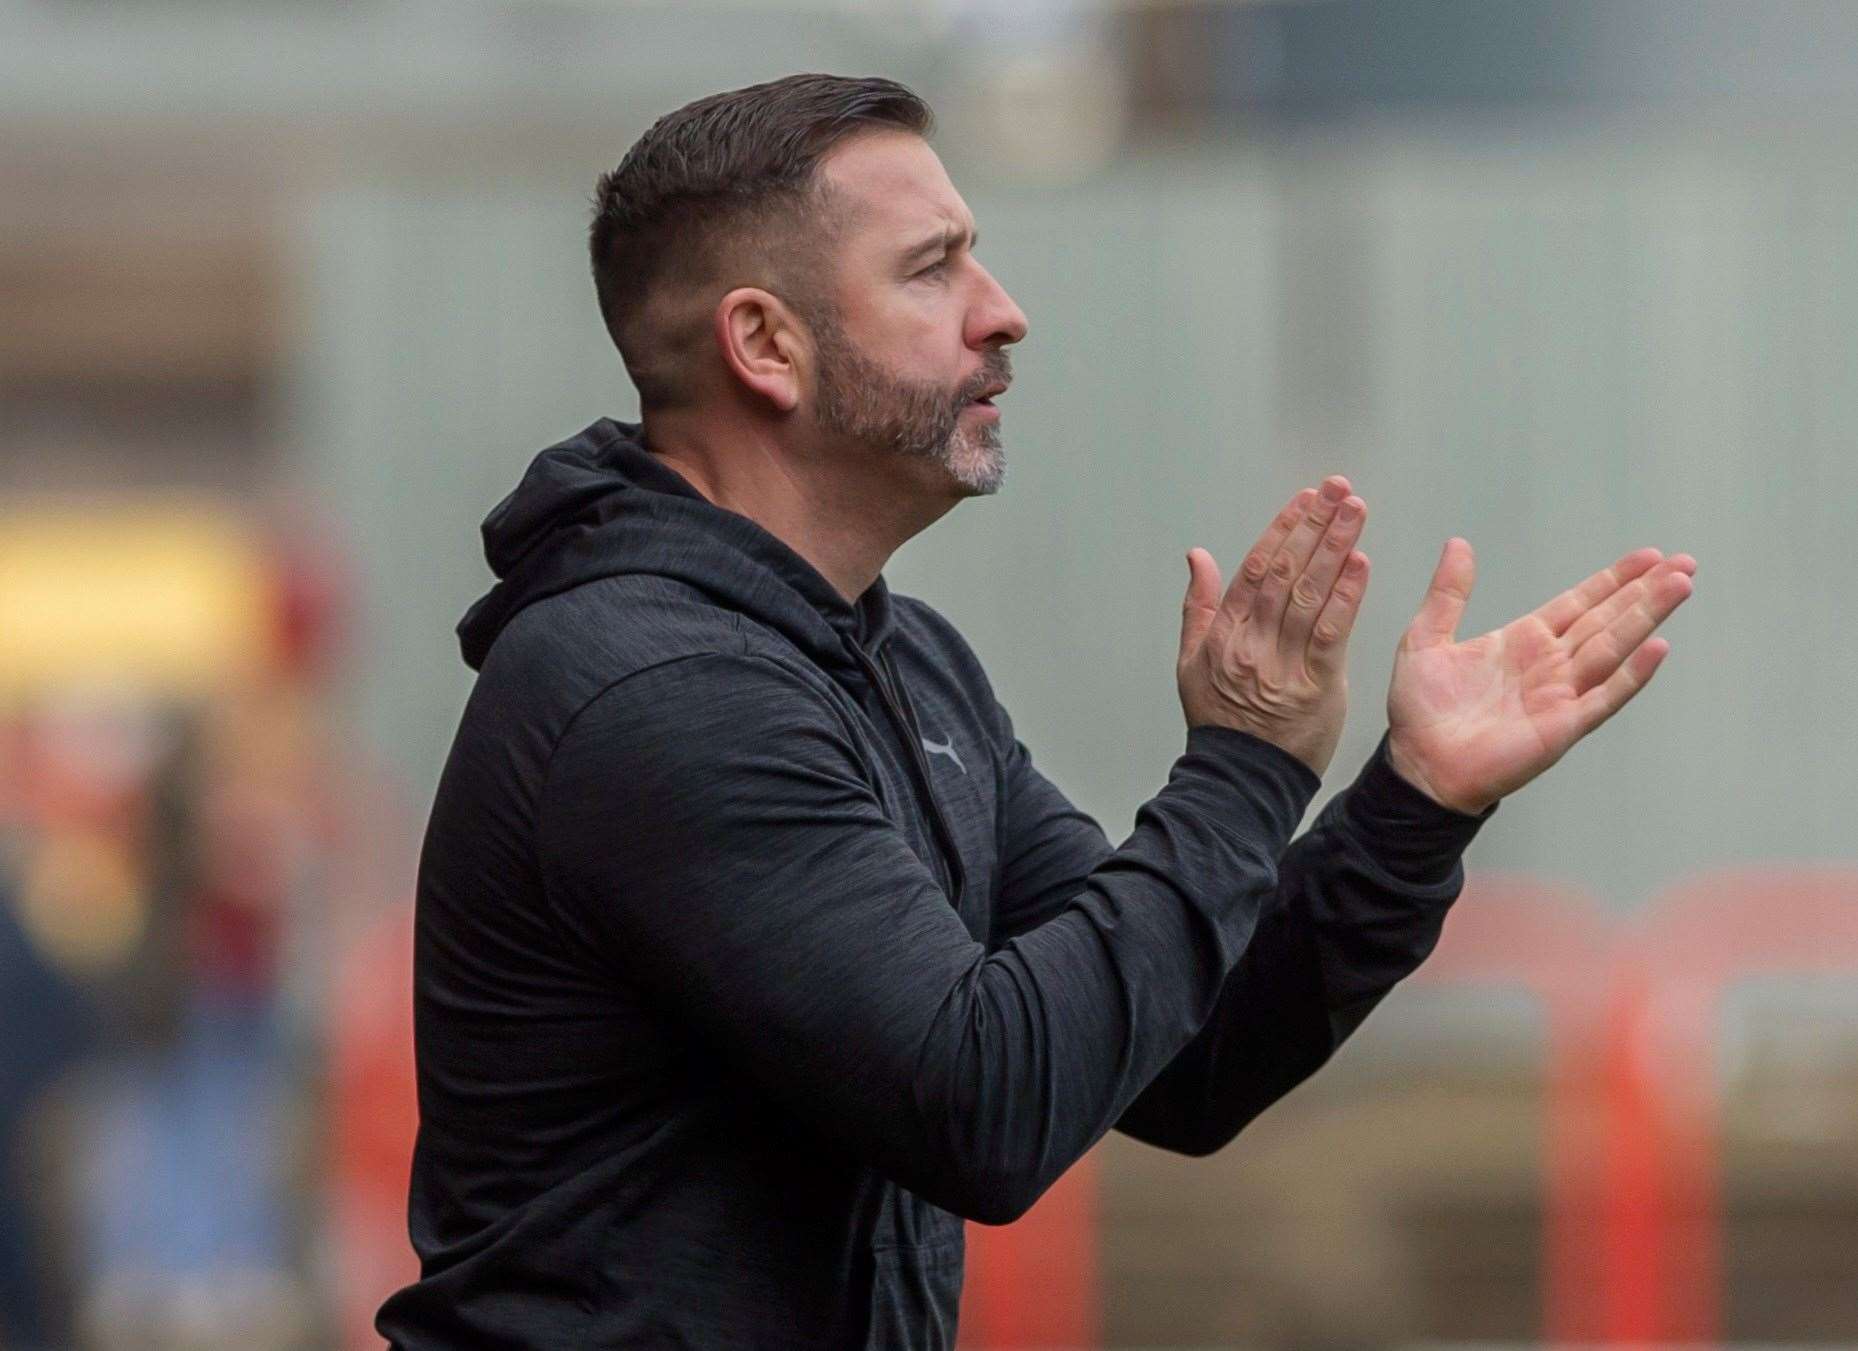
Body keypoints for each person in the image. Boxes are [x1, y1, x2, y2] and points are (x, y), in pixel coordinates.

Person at [376, 74, 1695, 1348]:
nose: (1002, 313)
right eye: (930, 267)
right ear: (763, 344)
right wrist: (1239, 767)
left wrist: (1412, 800)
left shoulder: (898, 661)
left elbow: (1188, 1061)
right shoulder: (656, 691)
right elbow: (980, 1107)